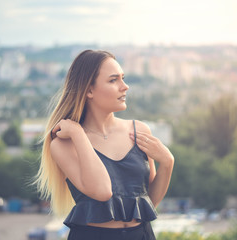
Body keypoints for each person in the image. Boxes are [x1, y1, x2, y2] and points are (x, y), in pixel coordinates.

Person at [36, 49, 174, 240]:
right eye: (113, 80)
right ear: (89, 90)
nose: (124, 87)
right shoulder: (64, 144)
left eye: (123, 78)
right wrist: (78, 133)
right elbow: (102, 191)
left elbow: (148, 204)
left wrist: (167, 162)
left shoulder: (139, 131)